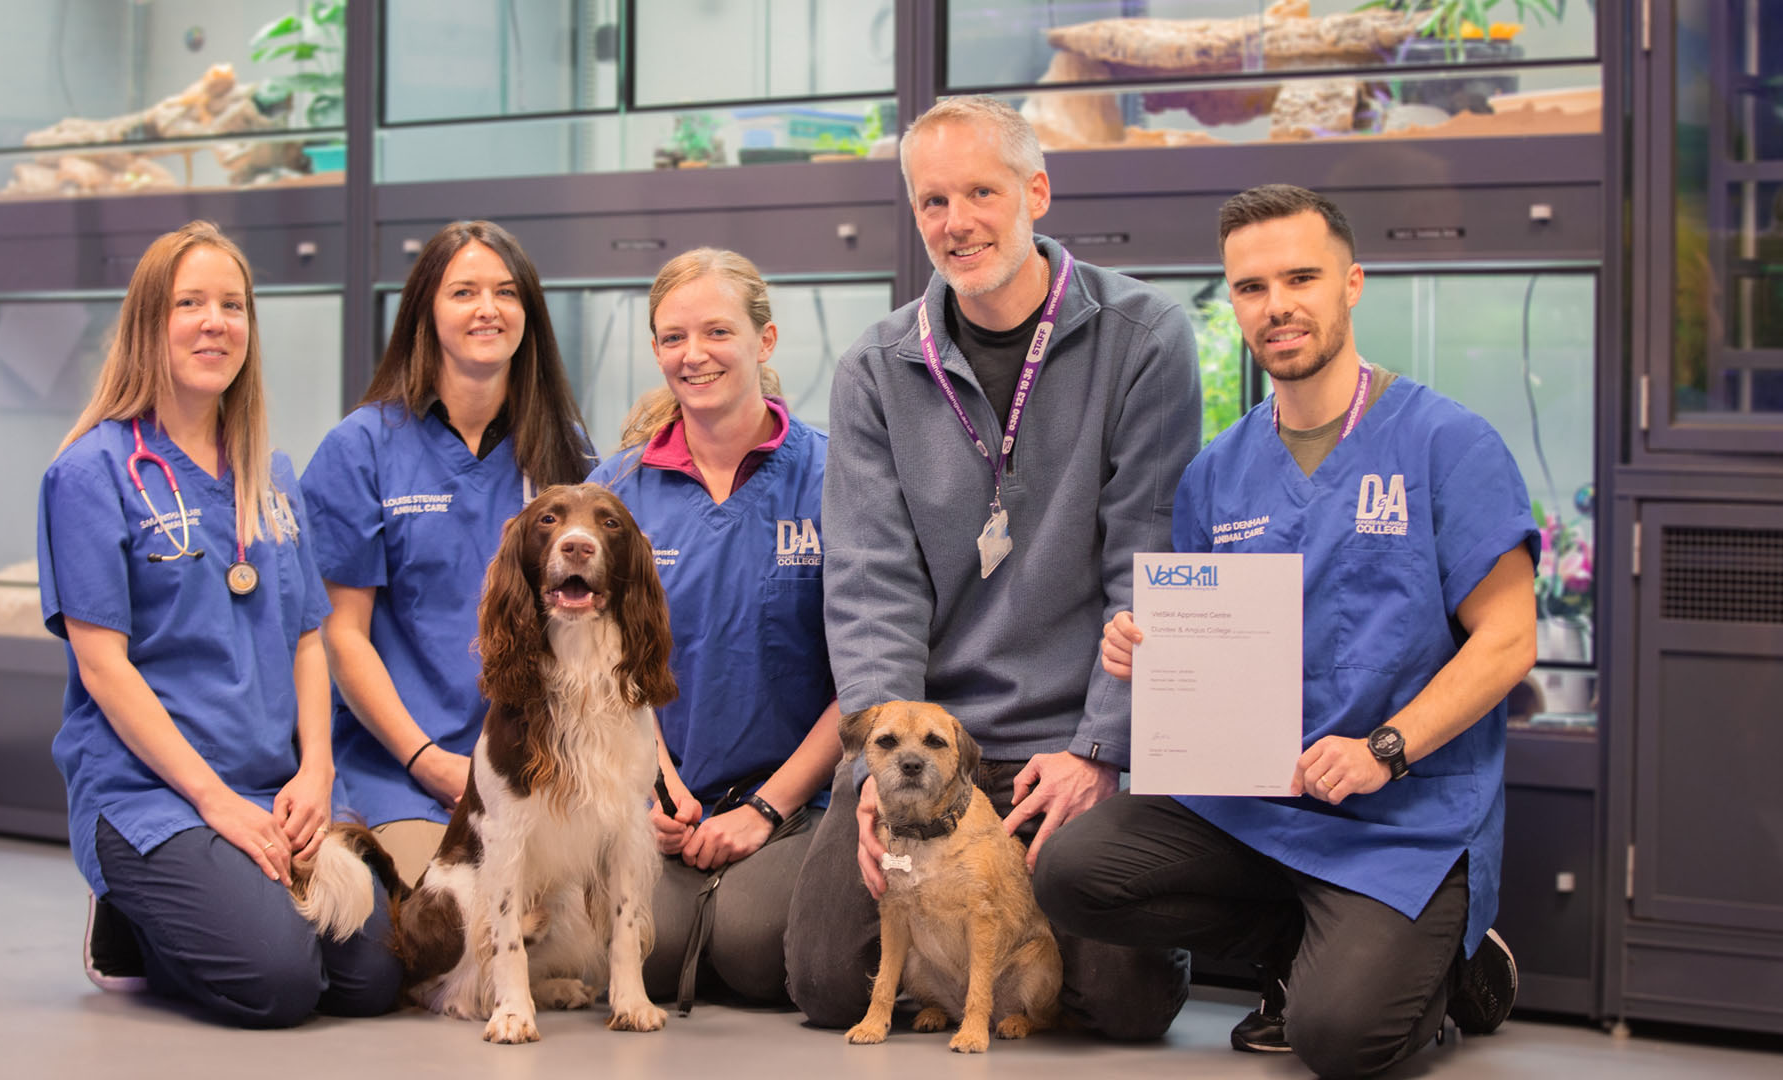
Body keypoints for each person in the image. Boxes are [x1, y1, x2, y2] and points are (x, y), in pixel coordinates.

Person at [1032, 184, 1539, 1078]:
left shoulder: (1447, 445)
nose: (1277, 306)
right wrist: (1143, 646)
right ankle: (1299, 948)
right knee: (1072, 870)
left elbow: (1508, 640)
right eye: (1251, 287)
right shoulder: (1216, 475)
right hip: (1260, 807)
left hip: (1400, 816)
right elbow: (1211, 650)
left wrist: (1385, 747)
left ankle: (1454, 962)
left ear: (1352, 283)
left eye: (1301, 277)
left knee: (1340, 1041)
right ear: (1233, 302)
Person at [783, 96, 1202, 1040]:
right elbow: (869, 582)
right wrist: (873, 775)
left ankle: (1030, 917)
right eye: (933, 201)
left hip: (1074, 740)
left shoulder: (1145, 339)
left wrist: (1100, 750)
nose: (956, 222)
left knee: (1127, 1007)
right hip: (932, 746)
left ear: (1036, 192)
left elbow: (1148, 565)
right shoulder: (876, 368)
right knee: (820, 981)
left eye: (981, 191)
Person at [37, 220, 400, 1027]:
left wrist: (315, 774)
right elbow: (105, 668)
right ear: (148, 325)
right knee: (278, 983)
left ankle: (210, 898)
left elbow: (309, 635)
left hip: (274, 785)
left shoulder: (268, 470)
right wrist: (213, 801)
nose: (216, 322)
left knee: (374, 979)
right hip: (153, 792)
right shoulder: (91, 473)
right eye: (190, 303)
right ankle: (137, 915)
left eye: (233, 305)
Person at [300, 221, 594, 884]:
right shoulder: (362, 450)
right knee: (433, 935)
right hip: (400, 764)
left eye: (506, 292)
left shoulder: (565, 451)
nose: (488, 309)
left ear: (529, 313)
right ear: (426, 312)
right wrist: (427, 759)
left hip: (533, 764)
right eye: (464, 291)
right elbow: (340, 634)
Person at [587, 248, 840, 1010]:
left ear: (763, 342)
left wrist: (767, 809)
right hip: (664, 795)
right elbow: (604, 660)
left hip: (798, 798)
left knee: (754, 946)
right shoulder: (616, 490)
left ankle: (736, 906)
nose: (693, 356)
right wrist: (655, 787)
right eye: (672, 338)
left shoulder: (837, 475)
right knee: (646, 964)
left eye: (717, 332)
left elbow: (870, 670)